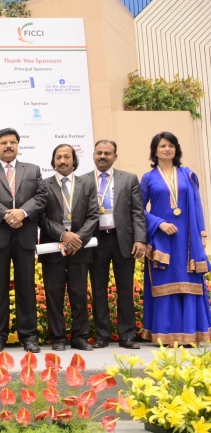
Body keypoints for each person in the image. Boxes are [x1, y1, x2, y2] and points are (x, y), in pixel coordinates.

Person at [0, 128, 47, 354]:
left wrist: (22, 213)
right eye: (3, 142)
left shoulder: (32, 170)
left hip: (24, 235)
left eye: (12, 142)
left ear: (18, 145)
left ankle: (29, 336)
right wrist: (8, 214)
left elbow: (42, 197)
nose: (8, 146)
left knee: (26, 287)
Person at [140, 132, 211, 345]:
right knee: (165, 283)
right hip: (163, 240)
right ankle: (165, 336)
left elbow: (197, 206)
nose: (167, 149)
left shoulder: (188, 174)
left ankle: (192, 333)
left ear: (176, 149)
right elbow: (138, 209)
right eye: (162, 146)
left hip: (187, 242)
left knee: (189, 282)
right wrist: (158, 223)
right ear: (155, 150)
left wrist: (202, 234)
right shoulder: (148, 178)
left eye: (171, 145)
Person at [85, 140, 146, 349]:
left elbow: (137, 212)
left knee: (125, 289)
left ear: (115, 157)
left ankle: (127, 335)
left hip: (124, 240)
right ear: (93, 155)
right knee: (98, 289)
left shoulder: (129, 179)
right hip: (96, 240)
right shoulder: (83, 180)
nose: (103, 156)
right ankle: (102, 335)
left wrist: (140, 239)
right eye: (99, 153)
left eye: (108, 153)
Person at [37, 144, 99, 351]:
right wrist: (63, 235)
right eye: (58, 157)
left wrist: (76, 239)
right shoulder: (43, 185)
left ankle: (80, 337)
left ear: (74, 160)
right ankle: (58, 338)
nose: (62, 161)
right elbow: (41, 217)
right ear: (53, 161)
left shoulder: (87, 184)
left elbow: (93, 216)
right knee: (54, 294)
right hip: (52, 247)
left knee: (79, 293)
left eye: (66, 157)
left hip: (80, 248)